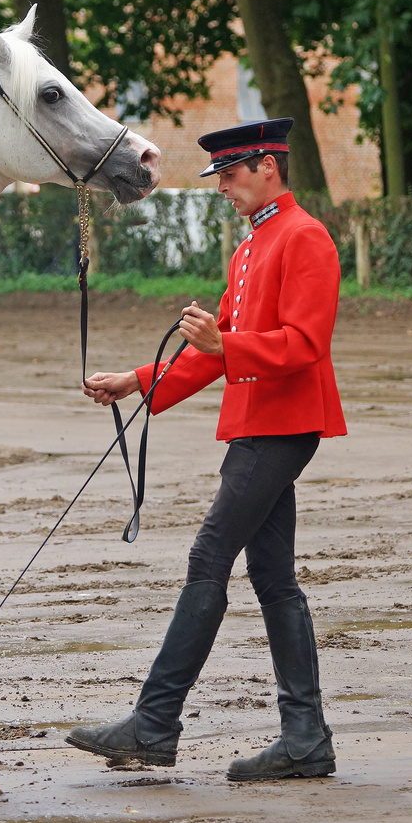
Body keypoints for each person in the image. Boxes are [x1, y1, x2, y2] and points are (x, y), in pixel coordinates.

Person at [65, 117, 346, 782]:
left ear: (266, 167)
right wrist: (135, 381)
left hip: (283, 425)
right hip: (257, 426)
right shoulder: (251, 248)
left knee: (207, 557)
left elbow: (303, 344)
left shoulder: (305, 238)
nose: (221, 187)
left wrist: (226, 346)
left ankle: (154, 724)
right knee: (273, 579)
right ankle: (305, 738)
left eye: (228, 174)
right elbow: (213, 350)